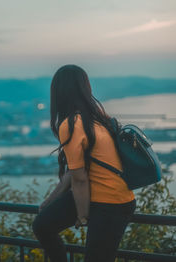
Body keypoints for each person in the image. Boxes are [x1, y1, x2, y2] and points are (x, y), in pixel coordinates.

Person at [32, 64, 136, 262]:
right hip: (99, 196)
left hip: (110, 203)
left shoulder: (71, 124)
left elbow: (79, 180)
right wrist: (49, 201)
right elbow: (74, 173)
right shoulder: (98, 119)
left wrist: (82, 216)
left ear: (58, 93)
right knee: (42, 225)